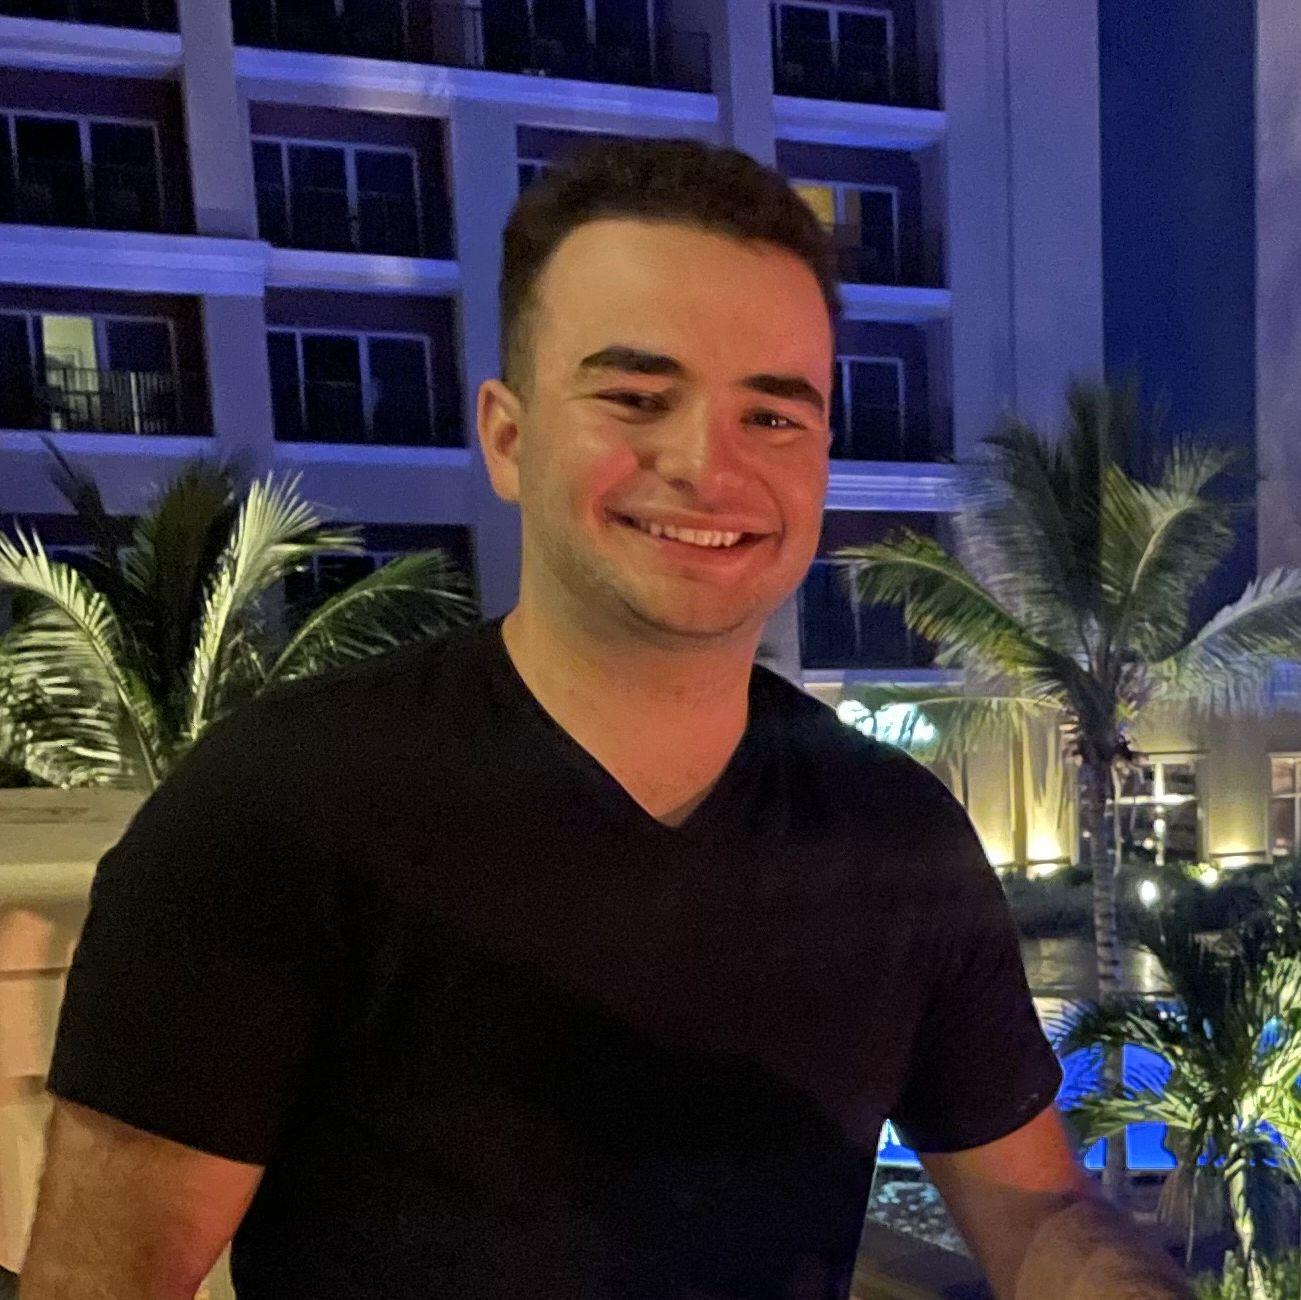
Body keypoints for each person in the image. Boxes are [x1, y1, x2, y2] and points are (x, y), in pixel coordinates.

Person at [22, 139, 1189, 1300]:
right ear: (507, 436)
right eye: (636, 398)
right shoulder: (273, 811)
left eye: (771, 417)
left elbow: (1034, 1215)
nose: (705, 464)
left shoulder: (895, 838)